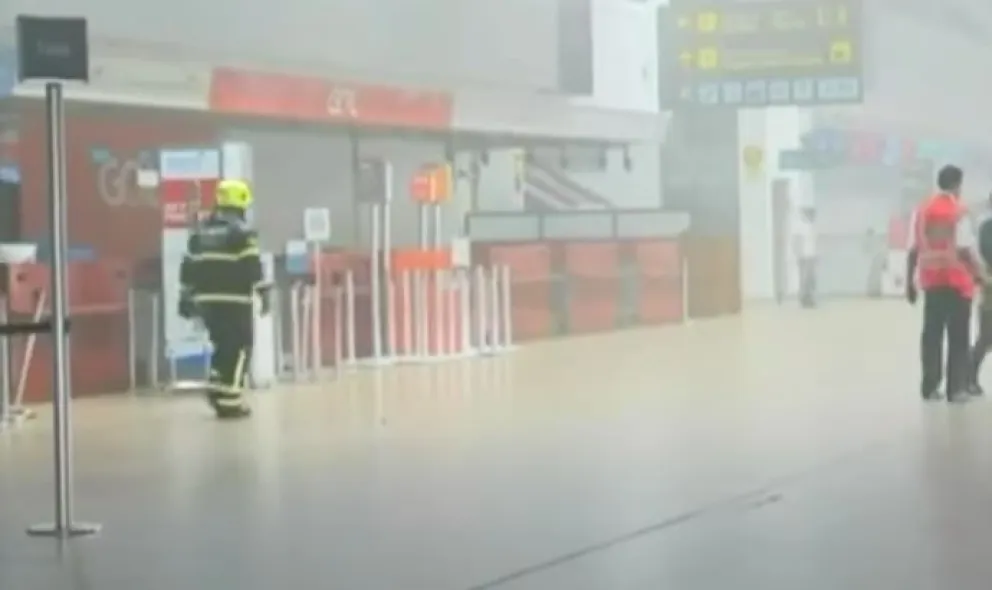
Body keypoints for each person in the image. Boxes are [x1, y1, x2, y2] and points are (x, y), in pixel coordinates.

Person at [179, 179, 269, 420]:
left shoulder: (201, 232)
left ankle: (217, 390)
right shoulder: (241, 233)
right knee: (240, 348)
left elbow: (188, 267)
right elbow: (252, 267)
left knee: (222, 346)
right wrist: (264, 293)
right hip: (235, 300)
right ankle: (231, 400)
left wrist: (185, 297)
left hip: (207, 303)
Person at [906, 165, 981, 402]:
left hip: (931, 281)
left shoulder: (922, 210)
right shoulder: (959, 210)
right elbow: (965, 250)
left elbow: (913, 248)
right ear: (957, 184)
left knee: (931, 335)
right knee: (958, 337)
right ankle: (955, 389)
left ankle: (929, 387)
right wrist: (981, 276)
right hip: (957, 283)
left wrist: (909, 282)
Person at [968, 190, 992, 395]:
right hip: (990, 286)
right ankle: (970, 377)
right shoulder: (987, 229)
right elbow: (987, 252)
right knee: (986, 336)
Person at [792, 206, 817, 307]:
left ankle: (808, 297)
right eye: (811, 214)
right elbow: (796, 241)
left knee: (810, 279)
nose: (813, 216)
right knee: (804, 279)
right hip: (804, 256)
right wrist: (798, 254)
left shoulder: (811, 225)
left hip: (811, 256)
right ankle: (804, 299)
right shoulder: (800, 226)